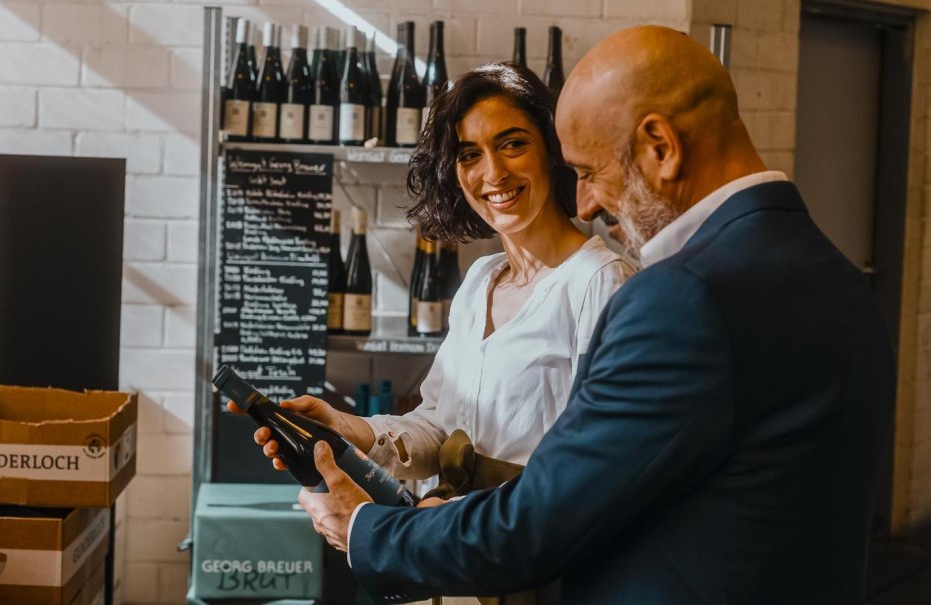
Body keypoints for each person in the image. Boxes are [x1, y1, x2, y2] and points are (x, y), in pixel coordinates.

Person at [294, 26, 896, 604]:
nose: (582, 200)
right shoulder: (835, 273)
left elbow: (545, 518)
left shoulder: (681, 297)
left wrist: (370, 529)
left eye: (588, 172)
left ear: (661, 147)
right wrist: (360, 434)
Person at [234, 61, 633, 499]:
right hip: (451, 544)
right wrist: (345, 427)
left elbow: (599, 469)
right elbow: (439, 426)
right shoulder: (482, 280)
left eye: (513, 144)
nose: (493, 173)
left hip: (528, 551)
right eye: (470, 155)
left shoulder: (600, 283)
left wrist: (447, 520)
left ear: (552, 150)